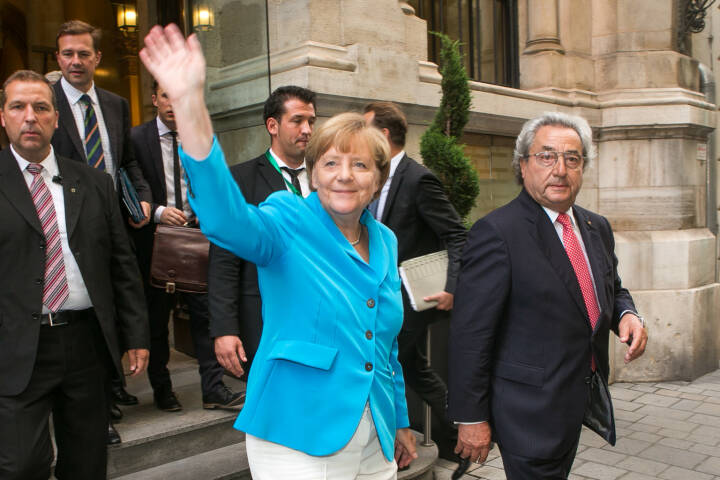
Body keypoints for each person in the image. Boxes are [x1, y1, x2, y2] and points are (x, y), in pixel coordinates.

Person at [140, 24, 417, 478]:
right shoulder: (287, 219)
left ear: (378, 179)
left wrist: (400, 421)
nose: (344, 175)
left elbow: (384, 345)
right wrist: (189, 105)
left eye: (360, 164)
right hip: (297, 428)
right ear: (314, 173)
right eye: (331, 162)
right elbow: (224, 218)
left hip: (375, 436)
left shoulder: (385, 240)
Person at [448, 112, 649, 479]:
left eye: (572, 158)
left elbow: (612, 286)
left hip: (575, 398)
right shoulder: (497, 233)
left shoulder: (596, 226)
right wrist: (471, 416)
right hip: (528, 412)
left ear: (583, 167)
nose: (560, 170)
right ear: (523, 165)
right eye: (546, 156)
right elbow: (470, 334)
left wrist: (627, 314)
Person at [0, 70, 149, 480]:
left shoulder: (95, 182)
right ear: (3, 116)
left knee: (86, 464)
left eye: (41, 107)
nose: (30, 117)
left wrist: (136, 334)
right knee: (20, 466)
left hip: (86, 344)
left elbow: (122, 265)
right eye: (18, 107)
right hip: (15, 347)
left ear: (56, 118)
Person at [50, 19, 151, 440]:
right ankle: (97, 410)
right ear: (58, 58)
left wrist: (142, 195)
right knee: (86, 314)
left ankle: (111, 386)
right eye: (67, 54)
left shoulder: (115, 104)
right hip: (66, 228)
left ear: (97, 58)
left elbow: (126, 161)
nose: (75, 61)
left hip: (112, 222)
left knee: (113, 304)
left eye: (83, 53)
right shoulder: (46, 103)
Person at [131, 80, 244, 411]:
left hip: (198, 238)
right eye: (166, 96)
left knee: (205, 316)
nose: (173, 103)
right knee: (157, 320)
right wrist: (158, 212)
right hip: (157, 241)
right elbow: (130, 186)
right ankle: (162, 389)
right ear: (154, 99)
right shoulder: (136, 139)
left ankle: (213, 389)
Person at [363, 101, 466, 458]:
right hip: (377, 295)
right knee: (414, 369)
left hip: (408, 300)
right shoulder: (371, 177)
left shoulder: (418, 179)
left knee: (384, 366)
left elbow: (457, 234)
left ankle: (396, 442)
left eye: (365, 129)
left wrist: (452, 287)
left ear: (383, 134)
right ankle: (461, 435)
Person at [209, 85, 316, 380]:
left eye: (311, 121)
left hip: (320, 319)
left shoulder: (327, 177)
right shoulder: (240, 179)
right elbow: (223, 261)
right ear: (272, 125)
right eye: (297, 120)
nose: (307, 130)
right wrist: (224, 329)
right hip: (265, 320)